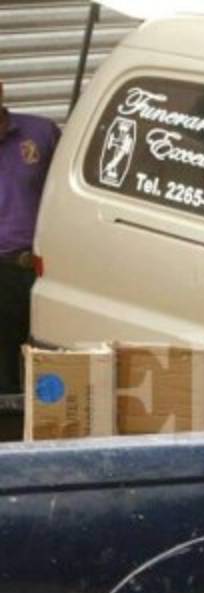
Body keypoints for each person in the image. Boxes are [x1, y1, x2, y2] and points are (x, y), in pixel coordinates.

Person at [0, 80, 60, 393]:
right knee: (5, 376)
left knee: (54, 360)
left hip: (45, 269)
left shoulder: (41, 133)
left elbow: (67, 191)